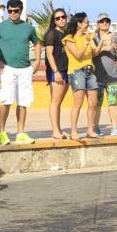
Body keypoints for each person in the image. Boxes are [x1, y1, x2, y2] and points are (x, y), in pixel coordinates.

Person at [0, 0, 41, 145]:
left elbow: (37, 43)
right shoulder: (0, 28)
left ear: (21, 11)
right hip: (7, 69)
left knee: (23, 102)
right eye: (10, 11)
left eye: (16, 11)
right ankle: (2, 132)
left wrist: (37, 61)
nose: (13, 13)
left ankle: (20, 132)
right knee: (6, 100)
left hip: (25, 69)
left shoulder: (28, 28)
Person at [62, 12, 99, 140]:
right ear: (79, 23)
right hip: (77, 71)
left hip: (90, 71)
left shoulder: (88, 36)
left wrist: (101, 42)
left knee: (93, 103)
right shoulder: (69, 38)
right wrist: (87, 42)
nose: (88, 24)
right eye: (86, 22)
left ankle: (90, 130)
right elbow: (77, 55)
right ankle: (74, 131)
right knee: (78, 103)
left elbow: (95, 53)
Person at [93, 13, 117, 136]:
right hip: (97, 76)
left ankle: (115, 128)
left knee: (113, 102)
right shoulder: (93, 37)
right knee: (96, 104)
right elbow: (92, 53)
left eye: (107, 21)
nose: (104, 23)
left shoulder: (114, 36)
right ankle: (95, 127)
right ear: (98, 23)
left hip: (112, 75)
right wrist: (105, 47)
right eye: (102, 21)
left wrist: (115, 47)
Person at [44, 8, 69, 139]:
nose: (61, 20)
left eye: (63, 17)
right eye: (58, 18)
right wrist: (56, 71)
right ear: (54, 21)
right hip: (56, 71)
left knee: (59, 102)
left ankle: (58, 129)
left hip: (66, 70)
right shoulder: (51, 34)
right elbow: (49, 54)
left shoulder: (66, 33)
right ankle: (55, 131)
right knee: (55, 101)